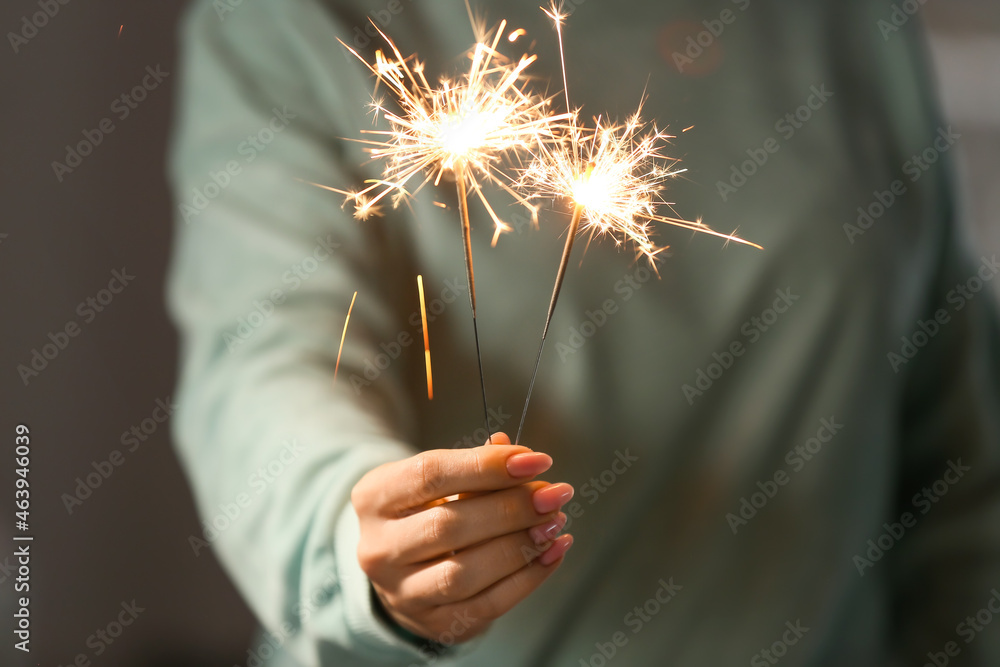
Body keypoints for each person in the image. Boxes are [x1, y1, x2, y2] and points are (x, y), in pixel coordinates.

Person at [166, 0, 1000, 665]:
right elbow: (262, 366)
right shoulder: (294, 18)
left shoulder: (846, 21)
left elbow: (963, 455)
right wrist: (365, 540)